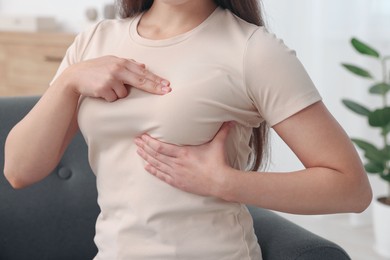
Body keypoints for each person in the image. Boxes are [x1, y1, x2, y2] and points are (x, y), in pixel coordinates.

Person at [4, 0, 372, 259]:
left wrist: (224, 182)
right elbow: (20, 170)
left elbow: (351, 189)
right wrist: (68, 82)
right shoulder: (94, 40)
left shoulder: (253, 50)